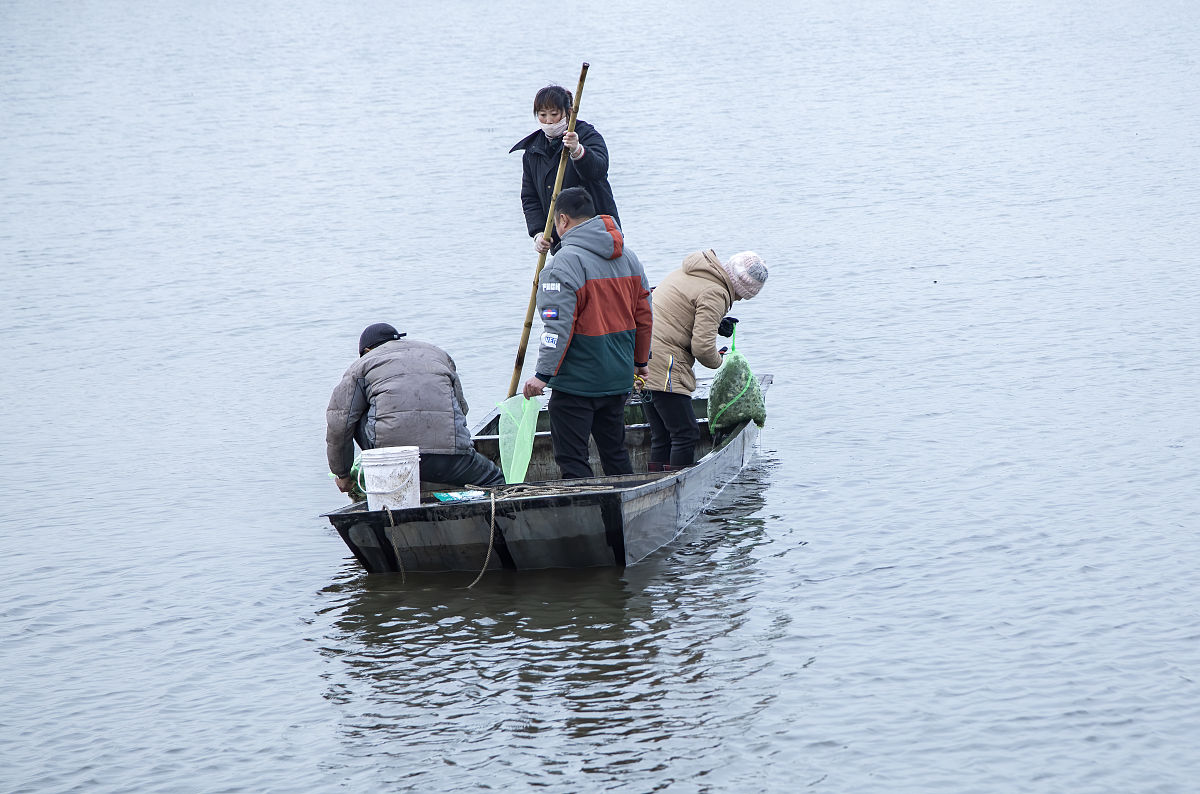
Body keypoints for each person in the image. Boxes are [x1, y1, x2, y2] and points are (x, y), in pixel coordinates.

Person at [522, 187, 652, 479]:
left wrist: (542, 375)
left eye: (555, 223)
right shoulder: (629, 258)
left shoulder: (563, 263)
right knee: (615, 454)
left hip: (577, 384)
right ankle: (627, 507)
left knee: (572, 460)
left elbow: (557, 326)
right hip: (618, 378)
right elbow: (645, 316)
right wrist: (641, 362)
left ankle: (588, 519)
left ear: (563, 220)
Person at [327, 322, 505, 494]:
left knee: (354, 413)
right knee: (496, 481)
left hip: (394, 460)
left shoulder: (361, 366)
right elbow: (461, 408)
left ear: (366, 351)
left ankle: (386, 480)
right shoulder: (438, 355)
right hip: (452, 457)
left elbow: (339, 425)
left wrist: (342, 474)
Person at [642, 251, 768, 470]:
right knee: (686, 433)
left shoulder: (695, 271)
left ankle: (657, 482)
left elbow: (681, 312)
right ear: (740, 287)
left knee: (661, 434)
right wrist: (720, 362)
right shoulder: (716, 292)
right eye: (741, 296)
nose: (737, 300)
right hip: (666, 362)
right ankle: (676, 489)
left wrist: (716, 323)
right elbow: (702, 348)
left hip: (643, 355)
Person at [510, 84, 620, 255]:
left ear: (568, 112)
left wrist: (578, 150)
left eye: (554, 114)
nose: (548, 121)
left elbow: (598, 170)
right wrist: (538, 233)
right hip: (560, 239)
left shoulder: (587, 135)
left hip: (599, 231)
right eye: (542, 115)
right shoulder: (533, 151)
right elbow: (530, 198)